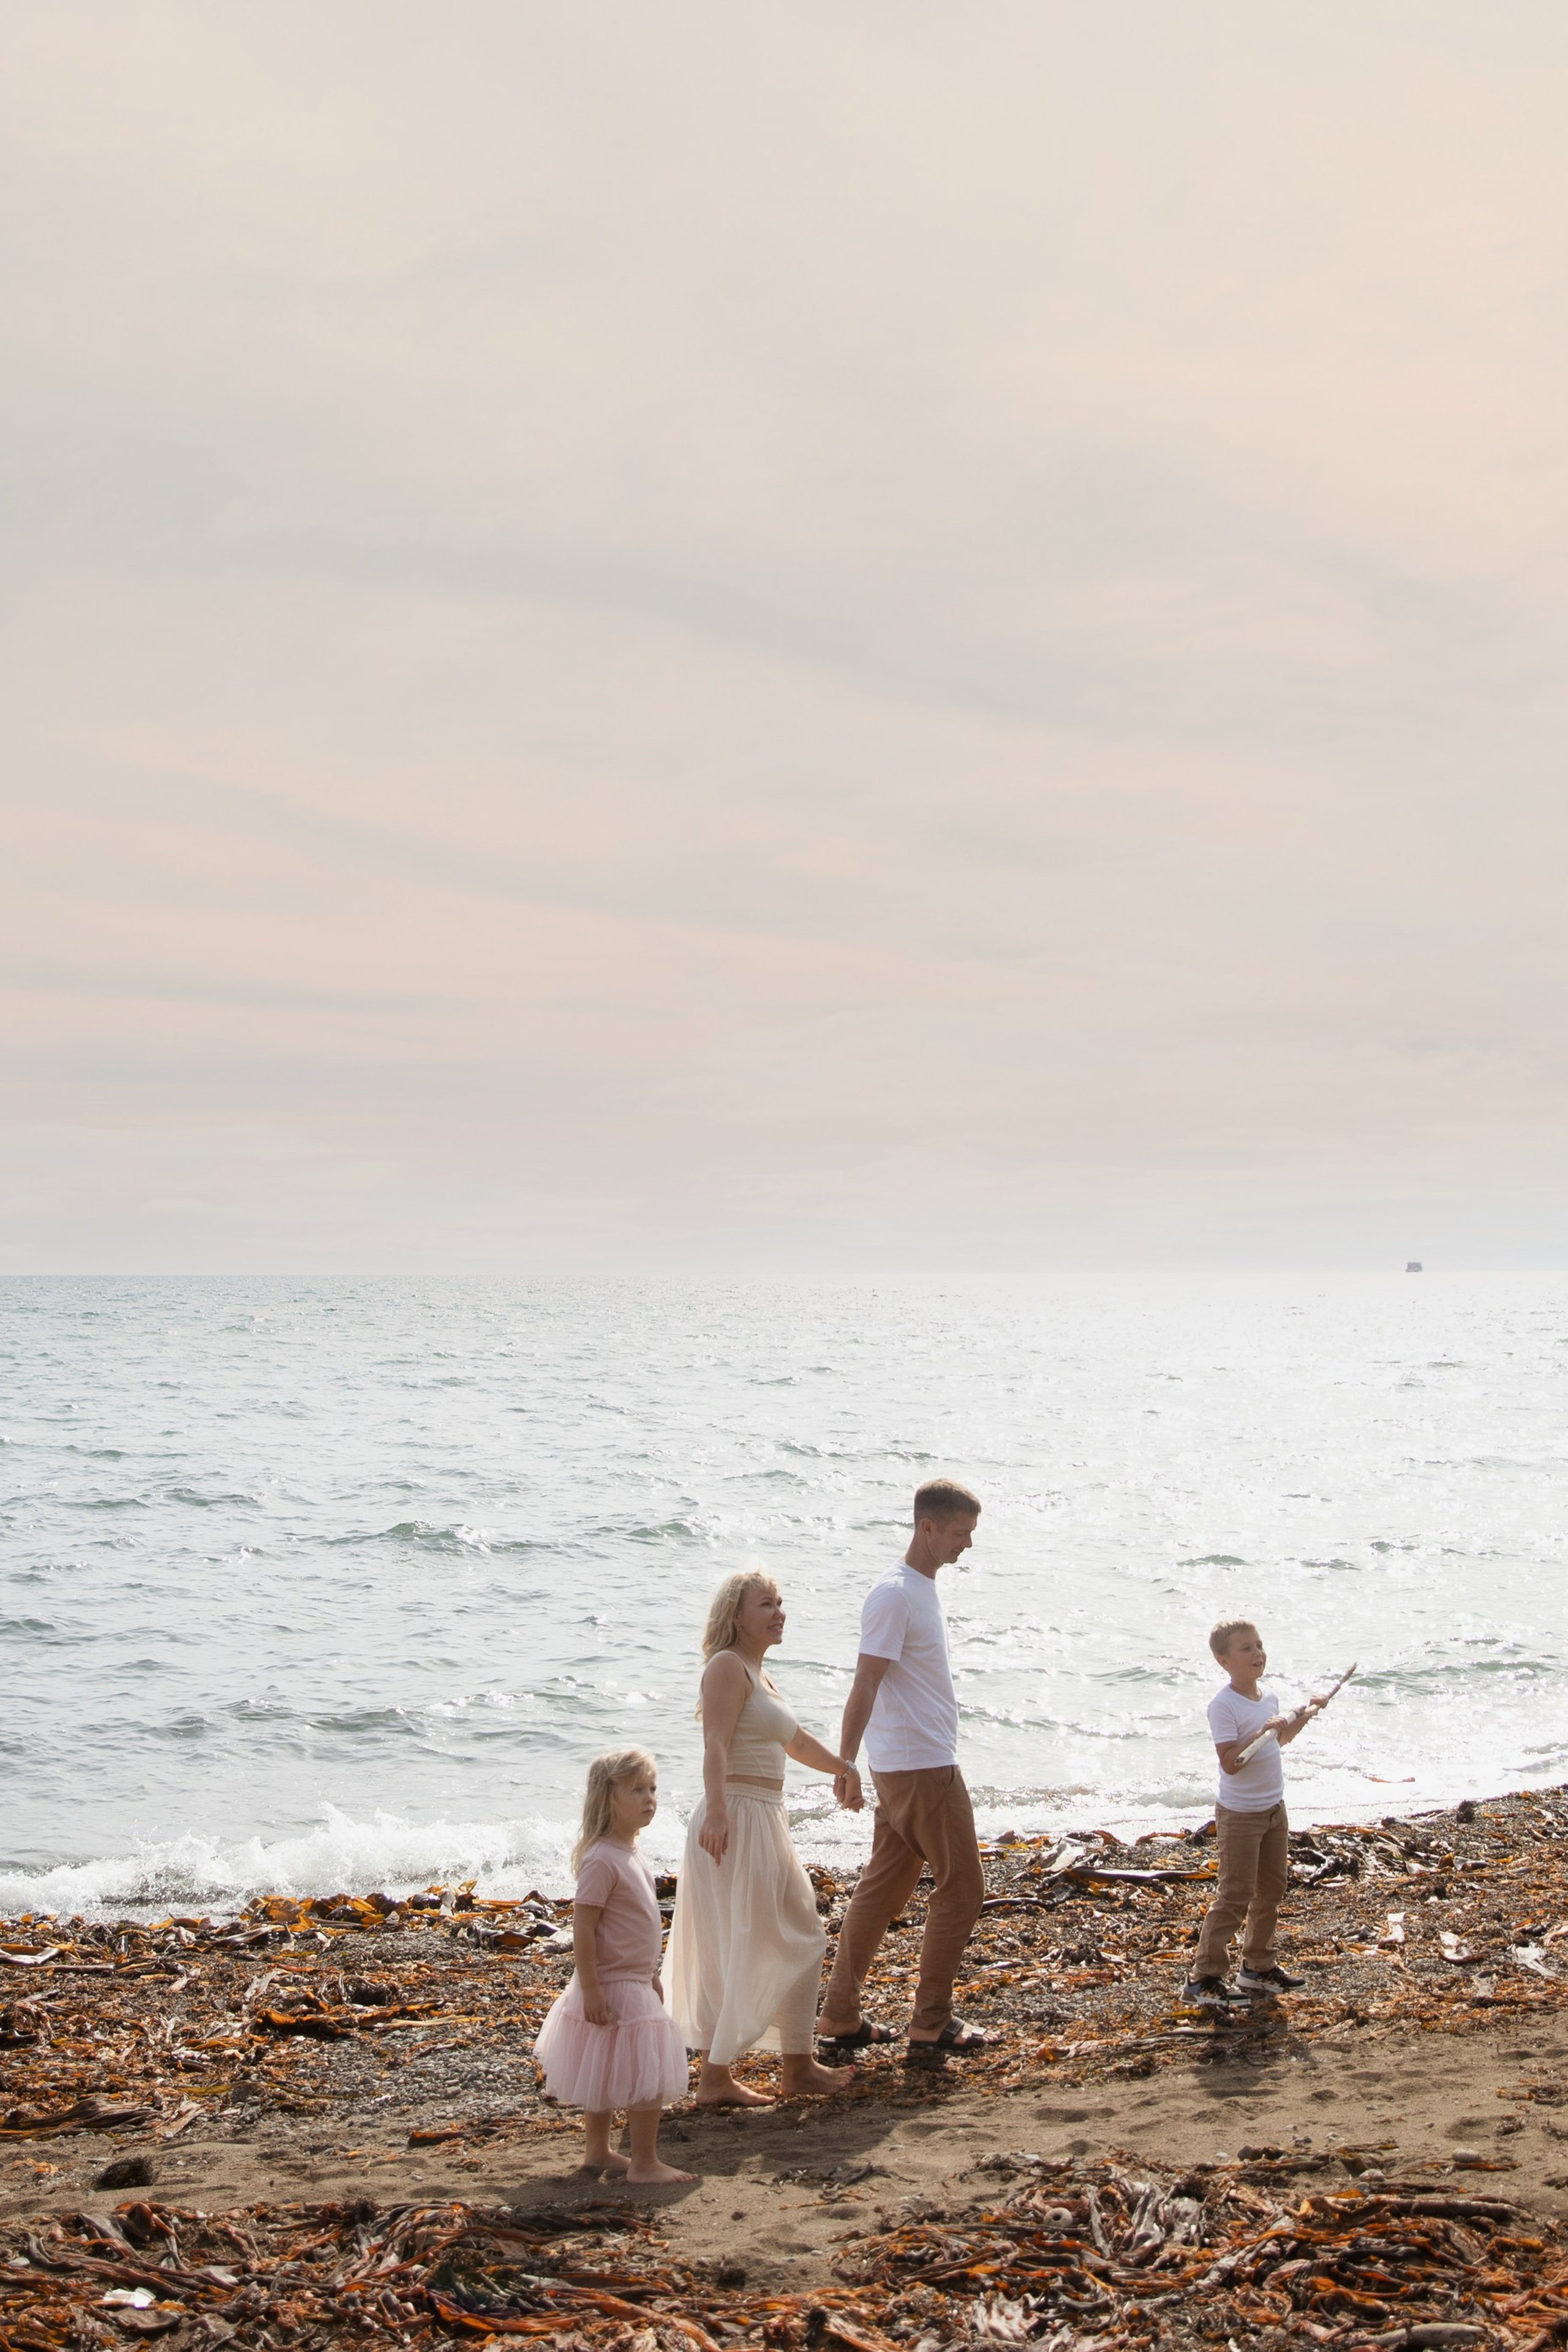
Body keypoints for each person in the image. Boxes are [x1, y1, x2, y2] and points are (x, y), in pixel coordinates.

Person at [663, 1570, 863, 2106]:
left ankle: (796, 2066)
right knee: (741, 1942)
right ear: (736, 1617)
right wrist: (720, 1812)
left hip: (766, 1816)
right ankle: (717, 2077)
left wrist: (842, 1768)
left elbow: (795, 1742)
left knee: (801, 1930)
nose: (779, 1612)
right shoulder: (727, 1667)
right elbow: (715, 1745)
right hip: (736, 1816)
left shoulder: (762, 1675)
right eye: (765, 1605)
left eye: (781, 1603)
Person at [816, 1479, 991, 2060]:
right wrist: (844, 1763)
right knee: (963, 1889)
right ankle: (931, 2020)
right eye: (960, 1533)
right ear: (928, 1528)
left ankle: (840, 2015)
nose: (967, 1545)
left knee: (883, 1888)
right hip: (922, 1767)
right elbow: (864, 1682)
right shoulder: (895, 1594)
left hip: (905, 1765)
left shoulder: (918, 1589)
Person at [533, 1746, 697, 2184]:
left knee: (607, 2065)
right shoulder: (602, 1858)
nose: (650, 1798)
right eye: (637, 1790)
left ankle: (599, 2152)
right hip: (610, 1982)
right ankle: (644, 2162)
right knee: (647, 2071)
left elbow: (634, 1925)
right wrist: (591, 1989)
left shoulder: (631, 1852)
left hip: (633, 1979)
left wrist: (650, 1976)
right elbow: (583, 1930)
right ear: (608, 1800)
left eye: (653, 1789)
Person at [1182, 1619, 1327, 2009]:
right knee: (1234, 1895)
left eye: (1259, 1645)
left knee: (1271, 1890)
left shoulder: (1269, 1697)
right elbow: (1232, 1762)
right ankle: (1204, 1978)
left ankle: (1257, 1969)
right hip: (1240, 1814)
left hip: (1273, 1809)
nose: (1257, 1653)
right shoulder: (1223, 1706)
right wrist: (1262, 1729)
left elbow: (1277, 1742)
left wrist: (1305, 1715)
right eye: (1246, 1648)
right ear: (1223, 1661)